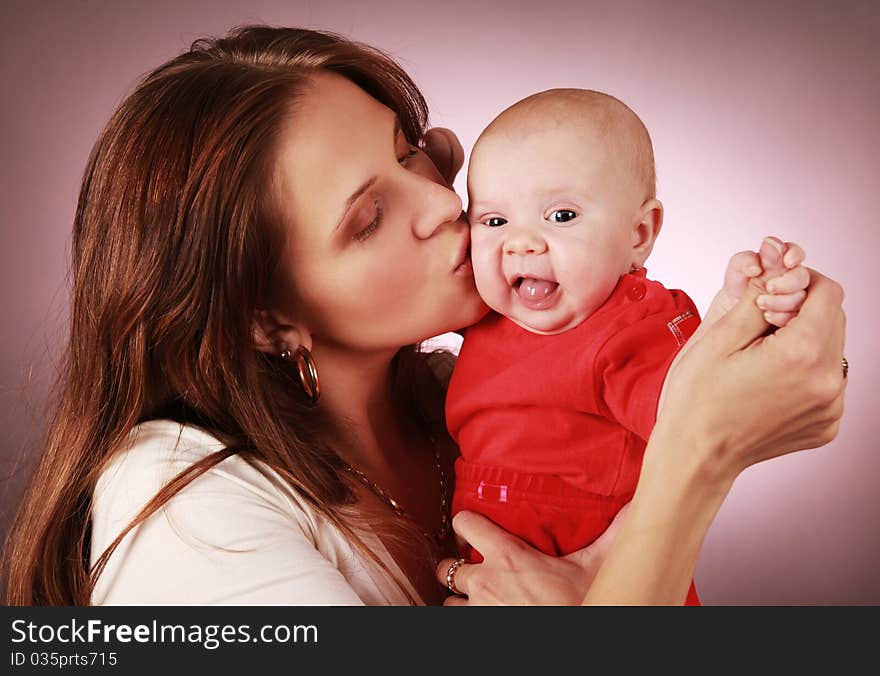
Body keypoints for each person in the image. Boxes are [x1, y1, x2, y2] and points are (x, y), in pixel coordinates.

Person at [1, 26, 846, 607]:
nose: (448, 205)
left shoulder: (449, 391)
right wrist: (700, 457)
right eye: (367, 219)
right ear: (266, 319)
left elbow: (668, 376)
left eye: (410, 151)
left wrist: (775, 337)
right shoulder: (183, 506)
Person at [445, 89, 808, 605]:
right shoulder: (482, 315)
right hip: (490, 569)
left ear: (639, 233)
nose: (521, 242)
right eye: (495, 220)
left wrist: (743, 318)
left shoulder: (628, 327)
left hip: (605, 570)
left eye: (562, 216)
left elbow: (698, 414)